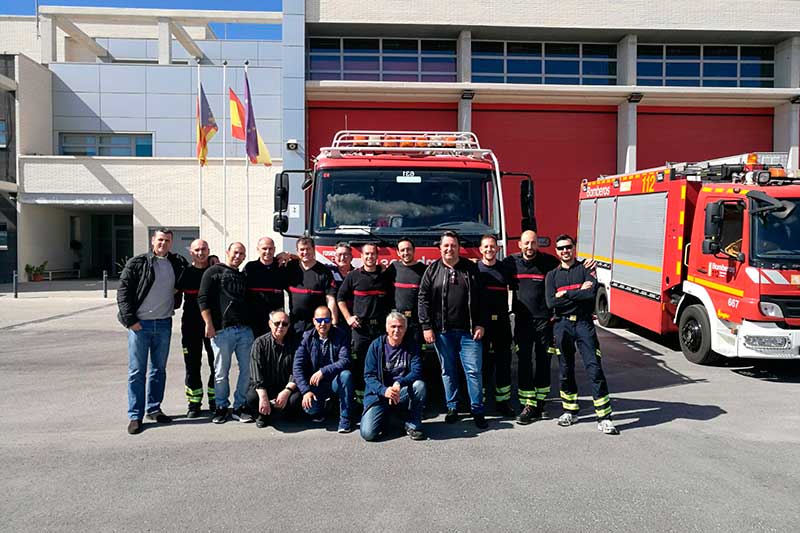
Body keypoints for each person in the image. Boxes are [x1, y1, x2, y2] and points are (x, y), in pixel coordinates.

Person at [545, 234, 618, 435]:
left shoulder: (586, 268)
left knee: (594, 369)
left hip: (584, 325)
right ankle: (570, 411)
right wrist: (578, 292)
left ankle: (604, 417)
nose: (564, 251)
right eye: (560, 248)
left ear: (574, 248)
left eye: (568, 247)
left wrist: (566, 294)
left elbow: (590, 295)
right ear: (556, 252)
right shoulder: (552, 276)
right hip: (562, 326)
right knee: (565, 370)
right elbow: (551, 303)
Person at [117, 228, 187, 435]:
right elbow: (123, 291)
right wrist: (130, 320)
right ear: (152, 241)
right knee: (137, 371)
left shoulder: (177, 262)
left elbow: (192, 272)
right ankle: (135, 415)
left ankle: (154, 409)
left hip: (164, 323)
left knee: (158, 370)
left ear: (171, 243)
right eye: (160, 240)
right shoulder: (138, 263)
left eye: (167, 240)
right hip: (141, 326)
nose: (163, 244)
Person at [418, 231, 487, 429]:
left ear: (458, 247)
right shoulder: (432, 270)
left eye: (453, 245)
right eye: (446, 246)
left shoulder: (470, 269)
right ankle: (453, 408)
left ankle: (477, 410)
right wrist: (426, 326)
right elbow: (422, 299)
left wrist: (481, 323)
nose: (450, 249)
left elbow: (482, 298)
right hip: (442, 332)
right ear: (440, 248)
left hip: (469, 332)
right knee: (448, 371)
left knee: (473, 371)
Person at [503, 229, 560, 425]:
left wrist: (587, 267)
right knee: (525, 362)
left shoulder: (549, 262)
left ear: (538, 244)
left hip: (545, 322)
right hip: (523, 322)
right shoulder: (511, 263)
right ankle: (528, 404)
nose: (530, 247)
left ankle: (541, 402)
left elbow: (569, 270)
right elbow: (490, 271)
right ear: (519, 244)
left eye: (533, 243)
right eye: (526, 243)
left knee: (544, 362)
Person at [198, 242, 254, 424]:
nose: (238, 256)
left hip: (245, 330)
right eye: (235, 252)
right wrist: (209, 324)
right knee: (221, 372)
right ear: (227, 252)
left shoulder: (243, 276)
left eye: (242, 254)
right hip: (222, 331)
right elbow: (203, 299)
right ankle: (221, 407)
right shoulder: (213, 272)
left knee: (247, 370)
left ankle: (240, 406)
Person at [337, 242, 392, 406]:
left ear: (377, 256)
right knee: (361, 364)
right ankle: (361, 401)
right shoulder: (353, 276)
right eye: (366, 254)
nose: (370, 256)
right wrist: (348, 318)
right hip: (360, 329)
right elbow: (340, 298)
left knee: (381, 363)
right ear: (361, 256)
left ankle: (380, 396)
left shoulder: (385, 276)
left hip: (380, 329)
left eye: (373, 254)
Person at [360, 312, 426, 441]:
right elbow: (369, 376)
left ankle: (413, 425)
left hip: (401, 391)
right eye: (393, 326)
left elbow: (416, 371)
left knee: (419, 386)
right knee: (368, 434)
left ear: (405, 329)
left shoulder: (412, 345)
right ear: (386, 328)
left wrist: (399, 383)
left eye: (400, 327)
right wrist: (384, 391)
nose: (397, 330)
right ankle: (391, 419)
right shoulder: (376, 346)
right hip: (379, 395)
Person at [293, 306, 355, 433]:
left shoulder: (341, 335)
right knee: (310, 409)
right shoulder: (306, 338)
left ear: (331, 320)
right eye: (319, 320)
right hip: (315, 385)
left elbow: (345, 360)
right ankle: (324, 408)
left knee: (346, 375)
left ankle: (345, 418)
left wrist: (323, 371)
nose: (323, 324)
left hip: (334, 382)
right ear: (314, 321)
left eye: (326, 320)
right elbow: (297, 366)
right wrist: (305, 391)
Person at [175, 238, 216, 418]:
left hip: (213, 326)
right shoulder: (185, 273)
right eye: (197, 250)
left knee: (216, 364)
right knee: (192, 365)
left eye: (204, 249)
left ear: (209, 251)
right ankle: (194, 402)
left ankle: (216, 400)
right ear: (191, 253)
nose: (201, 253)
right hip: (190, 326)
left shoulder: (215, 271)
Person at [477, 234, 515, 418]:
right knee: (481, 364)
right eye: (486, 247)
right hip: (481, 325)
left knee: (503, 364)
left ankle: (503, 402)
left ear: (498, 249)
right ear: (480, 249)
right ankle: (481, 402)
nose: (489, 250)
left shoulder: (505, 269)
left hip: (502, 324)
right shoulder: (474, 269)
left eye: (492, 247)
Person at [245, 309, 301, 429]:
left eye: (284, 324)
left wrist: (287, 391)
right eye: (277, 323)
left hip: (286, 385)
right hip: (266, 386)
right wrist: (264, 397)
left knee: (295, 400)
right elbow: (256, 373)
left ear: (289, 326)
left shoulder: (296, 343)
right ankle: (263, 414)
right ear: (270, 324)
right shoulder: (259, 343)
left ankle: (285, 411)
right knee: (251, 397)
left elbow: (298, 370)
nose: (280, 326)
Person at [285, 237, 338, 338]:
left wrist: (333, 323)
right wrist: (284, 255)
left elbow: (330, 299)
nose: (305, 252)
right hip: (295, 325)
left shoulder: (324, 272)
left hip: (317, 325)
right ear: (297, 251)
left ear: (314, 250)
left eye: (308, 249)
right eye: (302, 249)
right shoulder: (290, 268)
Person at [244, 236, 286, 338]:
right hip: (254, 321)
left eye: (270, 248)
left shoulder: (281, 267)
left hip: (275, 323)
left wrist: (290, 255)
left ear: (274, 249)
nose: (267, 251)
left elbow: (303, 260)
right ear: (258, 249)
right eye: (264, 248)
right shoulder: (250, 268)